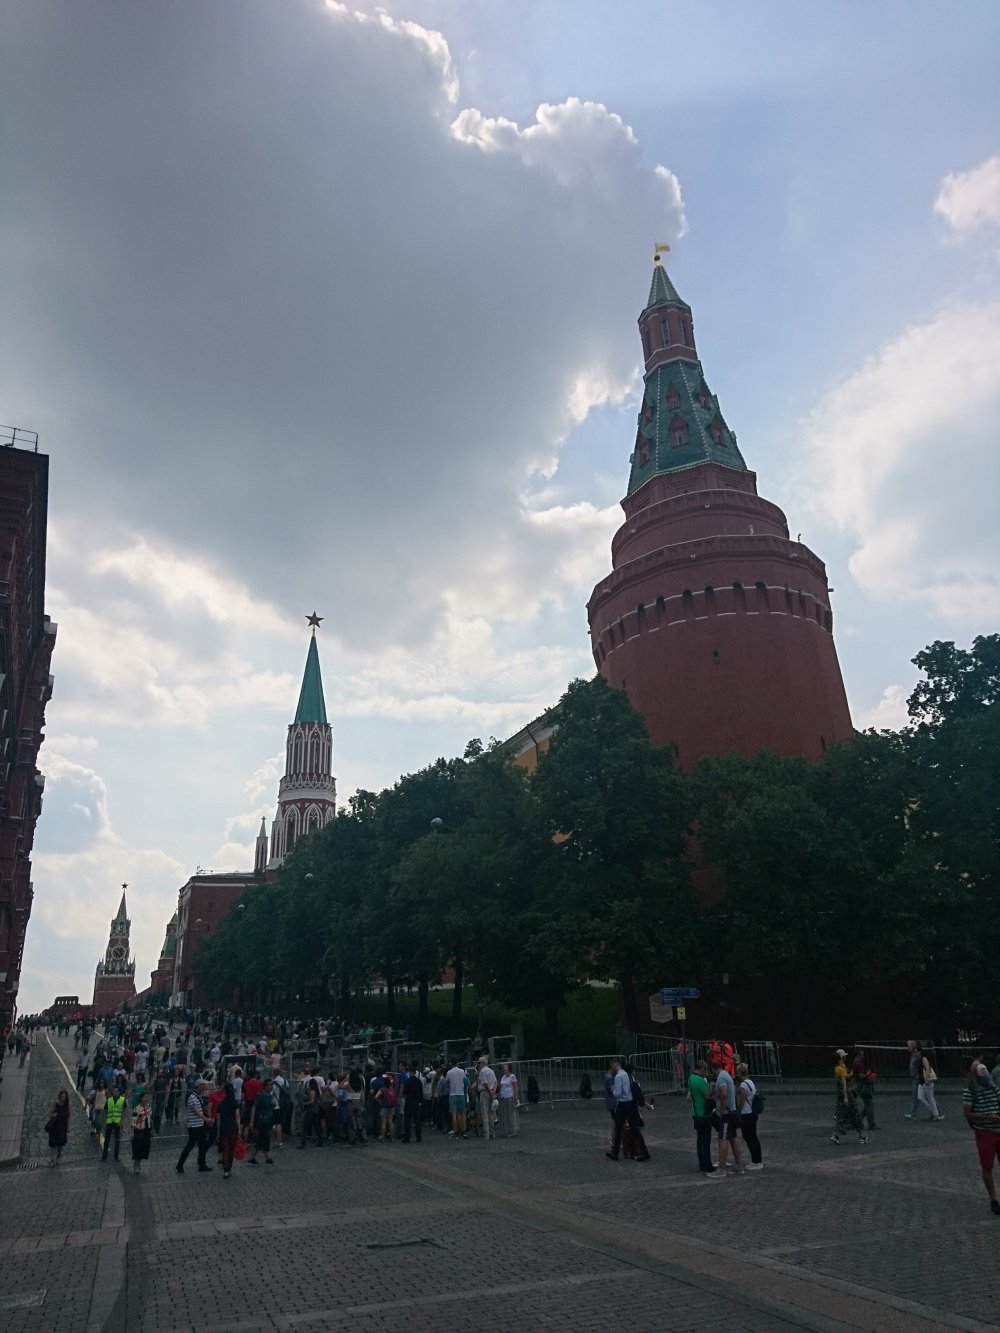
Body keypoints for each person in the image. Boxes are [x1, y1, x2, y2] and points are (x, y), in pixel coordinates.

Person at [962, 1054, 1000, 1216]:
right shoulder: (970, 1090)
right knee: (987, 1166)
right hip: (985, 1132)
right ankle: (993, 1199)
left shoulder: (992, 1085)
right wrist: (988, 1118)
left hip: (998, 1129)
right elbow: (967, 1113)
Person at [605, 1057, 649, 1162]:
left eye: (612, 1067)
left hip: (622, 1105)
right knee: (635, 1129)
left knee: (618, 1129)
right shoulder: (627, 1075)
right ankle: (645, 1152)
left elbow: (617, 1093)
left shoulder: (618, 1077)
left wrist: (614, 1090)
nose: (611, 1069)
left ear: (615, 1066)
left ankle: (615, 1153)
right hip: (631, 1104)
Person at [686, 1059, 719, 1177]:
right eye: (706, 1069)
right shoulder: (700, 1081)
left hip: (695, 1113)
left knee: (700, 1140)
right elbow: (707, 1096)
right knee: (706, 1141)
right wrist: (712, 1087)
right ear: (702, 1068)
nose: (707, 1072)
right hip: (704, 1114)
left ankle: (702, 1163)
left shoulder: (691, 1079)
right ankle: (707, 1165)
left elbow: (689, 1097)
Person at [712, 1057, 744, 1174]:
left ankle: (721, 1169)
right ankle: (738, 1165)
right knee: (733, 1138)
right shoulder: (727, 1075)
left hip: (727, 1114)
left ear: (713, 1068)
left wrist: (722, 1109)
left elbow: (724, 1094)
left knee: (723, 1139)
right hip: (732, 1111)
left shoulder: (721, 1078)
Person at [832, 1049, 870, 1146]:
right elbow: (844, 1084)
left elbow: (845, 1078)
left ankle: (837, 1135)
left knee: (844, 1114)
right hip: (846, 1094)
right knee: (854, 1114)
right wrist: (846, 1097)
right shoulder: (841, 1068)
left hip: (840, 1093)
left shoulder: (838, 1067)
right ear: (841, 1057)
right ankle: (861, 1137)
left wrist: (850, 1075)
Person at [176, 1079, 211, 1173]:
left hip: (199, 1125)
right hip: (194, 1126)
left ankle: (202, 1164)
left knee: (202, 1145)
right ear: (199, 1086)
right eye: (203, 1085)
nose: (205, 1087)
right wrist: (206, 1119)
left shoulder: (199, 1097)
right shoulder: (193, 1097)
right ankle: (180, 1165)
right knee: (190, 1145)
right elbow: (196, 1112)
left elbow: (200, 1110)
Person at [736, 1062, 763, 1170]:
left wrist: (738, 1110)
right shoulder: (751, 1082)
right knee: (753, 1137)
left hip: (746, 1113)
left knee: (748, 1137)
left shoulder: (743, 1085)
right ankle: (758, 1160)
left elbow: (742, 1099)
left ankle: (755, 1161)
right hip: (752, 1112)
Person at [248, 1077, 276, 1164]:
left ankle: (252, 1158)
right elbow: (254, 1108)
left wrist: (273, 1105)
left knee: (260, 1140)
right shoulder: (261, 1096)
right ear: (265, 1086)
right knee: (265, 1139)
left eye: (272, 1085)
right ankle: (268, 1158)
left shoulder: (270, 1096)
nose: (271, 1086)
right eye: (270, 1085)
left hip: (268, 1122)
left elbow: (270, 1108)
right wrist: (251, 1122)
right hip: (261, 1122)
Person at [851, 1048, 878, 1131]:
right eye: (862, 1054)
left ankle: (858, 1121)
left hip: (860, 1085)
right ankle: (871, 1124)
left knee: (867, 1105)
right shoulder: (859, 1064)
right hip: (864, 1086)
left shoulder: (855, 1062)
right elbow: (860, 1075)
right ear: (858, 1055)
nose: (863, 1056)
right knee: (869, 1105)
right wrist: (868, 1074)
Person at [217, 1083, 239, 1178]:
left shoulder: (221, 1103)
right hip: (233, 1128)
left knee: (225, 1149)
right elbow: (237, 1116)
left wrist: (218, 1130)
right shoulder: (235, 1102)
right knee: (231, 1149)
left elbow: (218, 1119)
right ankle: (229, 1168)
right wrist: (239, 1129)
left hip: (223, 1129)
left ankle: (225, 1170)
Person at [916, 1045, 944, 1122]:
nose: (915, 1053)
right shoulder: (918, 1059)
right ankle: (933, 1111)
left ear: (920, 1052)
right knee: (920, 1097)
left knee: (930, 1098)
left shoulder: (923, 1058)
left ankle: (935, 1114)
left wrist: (927, 1078)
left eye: (916, 1052)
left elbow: (927, 1068)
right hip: (921, 1081)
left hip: (926, 1081)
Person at [475, 1055, 498, 1142]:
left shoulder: (482, 1071)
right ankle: (492, 1133)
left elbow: (484, 1083)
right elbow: (495, 1082)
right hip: (491, 1092)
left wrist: (489, 1091)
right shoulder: (491, 1071)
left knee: (484, 1114)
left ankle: (486, 1134)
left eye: (479, 1062)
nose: (478, 1064)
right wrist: (493, 1091)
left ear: (483, 1063)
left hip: (484, 1092)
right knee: (491, 1114)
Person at [444, 1057, 468, 1139]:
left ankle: (455, 1131)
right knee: (463, 1113)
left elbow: (446, 1083)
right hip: (461, 1093)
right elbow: (464, 1080)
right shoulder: (462, 1071)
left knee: (454, 1114)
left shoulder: (449, 1072)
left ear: (451, 1063)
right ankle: (464, 1131)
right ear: (457, 1063)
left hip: (452, 1094)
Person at [102, 1086, 127, 1161]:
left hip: (117, 1122)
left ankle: (116, 1157)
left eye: (116, 1091)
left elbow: (125, 1111)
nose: (114, 1092)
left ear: (119, 1092)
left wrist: (121, 1121)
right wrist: (104, 1122)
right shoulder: (109, 1100)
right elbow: (105, 1111)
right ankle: (104, 1157)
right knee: (107, 1140)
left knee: (117, 1140)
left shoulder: (122, 1100)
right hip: (109, 1122)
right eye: (113, 1091)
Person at [46, 1089, 70, 1167]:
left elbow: (68, 1117)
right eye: (61, 1096)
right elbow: (49, 1113)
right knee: (53, 1145)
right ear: (59, 1097)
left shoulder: (67, 1106)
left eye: (64, 1096)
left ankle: (59, 1154)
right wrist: (53, 1115)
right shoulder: (55, 1104)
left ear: (66, 1098)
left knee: (60, 1144)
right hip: (54, 1128)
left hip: (62, 1128)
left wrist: (68, 1127)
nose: (62, 1098)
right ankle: (52, 1161)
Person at [401, 1063, 424, 1143]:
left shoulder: (407, 1082)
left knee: (407, 1120)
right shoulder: (419, 1081)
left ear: (410, 1073)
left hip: (409, 1101)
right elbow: (421, 1093)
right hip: (416, 1102)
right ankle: (418, 1137)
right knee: (417, 1120)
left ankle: (407, 1137)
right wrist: (420, 1101)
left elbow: (404, 1092)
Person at [131, 1092, 152, 1174]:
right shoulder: (136, 1109)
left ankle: (138, 1163)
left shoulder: (148, 1106)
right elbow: (133, 1122)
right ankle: (136, 1165)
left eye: (147, 1097)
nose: (146, 1099)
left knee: (145, 1148)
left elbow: (150, 1116)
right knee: (138, 1148)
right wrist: (132, 1132)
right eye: (145, 1097)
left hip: (147, 1130)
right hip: (139, 1130)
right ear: (141, 1099)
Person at [497, 1063, 520, 1137]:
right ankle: (507, 1130)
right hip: (503, 1097)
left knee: (510, 1114)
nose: (504, 1069)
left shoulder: (512, 1076)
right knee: (505, 1114)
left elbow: (515, 1087)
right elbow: (501, 1086)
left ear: (509, 1068)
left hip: (510, 1096)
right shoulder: (503, 1077)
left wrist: (515, 1097)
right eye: (503, 1067)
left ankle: (513, 1130)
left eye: (505, 1067)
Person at [905, 1040, 922, 1119]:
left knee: (918, 1096)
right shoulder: (913, 1056)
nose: (908, 1048)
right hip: (915, 1078)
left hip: (917, 1078)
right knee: (916, 1096)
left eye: (909, 1046)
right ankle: (913, 1113)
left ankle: (913, 1114)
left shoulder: (917, 1056)